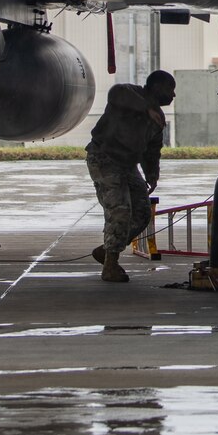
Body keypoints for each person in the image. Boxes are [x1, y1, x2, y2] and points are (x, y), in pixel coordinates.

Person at [86, 69, 177, 283]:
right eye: (170, 89)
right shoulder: (128, 94)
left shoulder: (158, 119)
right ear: (156, 87)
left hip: (128, 164)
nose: (173, 95)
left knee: (142, 213)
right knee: (120, 210)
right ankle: (110, 265)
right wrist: (146, 108)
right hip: (105, 158)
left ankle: (108, 249)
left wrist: (152, 175)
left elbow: (152, 150)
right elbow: (116, 93)